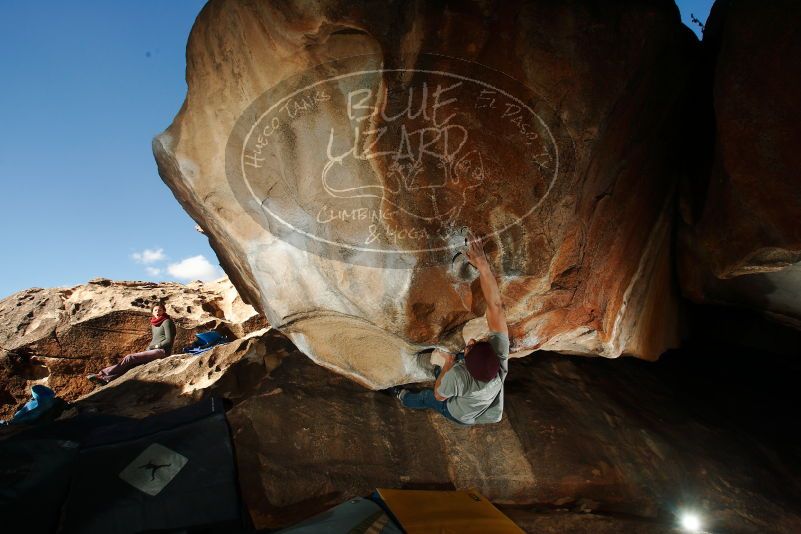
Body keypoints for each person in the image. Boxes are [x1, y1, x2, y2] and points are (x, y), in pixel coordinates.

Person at [395, 231, 510, 425]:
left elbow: (439, 396)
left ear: (465, 369)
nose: (471, 341)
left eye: (470, 347)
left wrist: (448, 364)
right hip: (476, 400)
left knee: (427, 397)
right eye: (479, 343)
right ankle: (438, 371)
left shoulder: (459, 376)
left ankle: (402, 396)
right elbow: (496, 307)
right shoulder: (499, 360)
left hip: (458, 413)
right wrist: (482, 264)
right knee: (449, 365)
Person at [86, 302, 176, 385]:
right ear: (152, 312)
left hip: (162, 351)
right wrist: (149, 348)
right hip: (153, 350)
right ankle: (107, 379)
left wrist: (155, 346)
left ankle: (101, 374)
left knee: (130, 357)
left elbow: (169, 340)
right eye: (155, 310)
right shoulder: (154, 323)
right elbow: (155, 339)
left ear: (164, 311)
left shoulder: (166, 321)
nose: (157, 312)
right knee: (131, 365)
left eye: (160, 310)